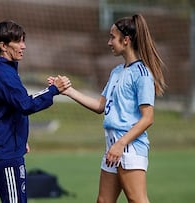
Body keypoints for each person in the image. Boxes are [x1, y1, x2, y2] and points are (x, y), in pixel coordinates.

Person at [50, 14, 166, 203]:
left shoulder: (143, 74)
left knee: (137, 200)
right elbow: (100, 106)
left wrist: (120, 145)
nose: (109, 42)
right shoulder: (117, 71)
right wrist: (69, 91)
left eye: (113, 37)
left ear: (126, 40)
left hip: (128, 146)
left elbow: (148, 118)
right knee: (104, 201)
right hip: (113, 145)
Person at [0, 20, 71, 203]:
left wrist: (20, 138)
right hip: (4, 152)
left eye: (23, 40)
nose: (24, 46)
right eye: (18, 41)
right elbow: (25, 104)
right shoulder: (3, 74)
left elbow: (8, 110)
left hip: (10, 148)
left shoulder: (7, 71)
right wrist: (54, 90)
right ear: (3, 46)